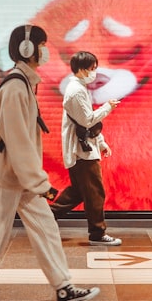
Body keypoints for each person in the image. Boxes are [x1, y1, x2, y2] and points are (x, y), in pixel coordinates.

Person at [0, 24, 99, 301]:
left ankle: (63, 287)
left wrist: (33, 181)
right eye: (41, 45)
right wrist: (40, 182)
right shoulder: (15, 87)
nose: (45, 50)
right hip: (10, 176)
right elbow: (17, 141)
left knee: (46, 229)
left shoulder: (24, 83)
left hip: (20, 179)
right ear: (28, 49)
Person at [49, 51, 121, 245]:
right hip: (82, 153)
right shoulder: (76, 91)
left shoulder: (80, 88)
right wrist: (107, 108)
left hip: (84, 149)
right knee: (95, 192)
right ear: (80, 70)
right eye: (91, 68)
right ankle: (97, 233)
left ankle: (44, 218)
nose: (94, 73)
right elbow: (87, 121)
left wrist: (102, 142)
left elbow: (86, 124)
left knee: (79, 192)